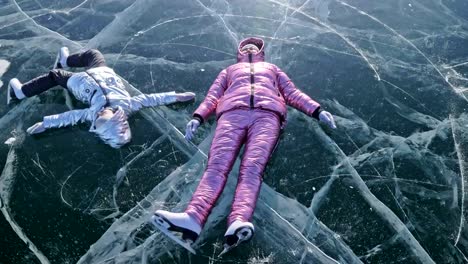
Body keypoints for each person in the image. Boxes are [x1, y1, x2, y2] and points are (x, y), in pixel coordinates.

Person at [151, 37, 336, 255]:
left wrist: (317, 110)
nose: (250, 47)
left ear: (260, 51)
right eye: (246, 46)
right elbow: (213, 96)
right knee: (216, 167)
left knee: (251, 170)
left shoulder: (272, 69)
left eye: (254, 46)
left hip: (267, 116)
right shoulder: (229, 71)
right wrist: (199, 116)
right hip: (231, 115)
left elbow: (292, 93)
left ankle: (239, 220)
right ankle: (193, 218)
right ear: (240, 51)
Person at [7, 48, 195, 148]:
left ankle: (20, 91)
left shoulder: (92, 114)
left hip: (79, 83)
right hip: (102, 73)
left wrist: (46, 123)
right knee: (92, 54)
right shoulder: (128, 105)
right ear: (117, 118)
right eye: (105, 114)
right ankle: (66, 60)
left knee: (55, 75)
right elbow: (151, 98)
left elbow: (69, 117)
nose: (100, 112)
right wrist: (176, 96)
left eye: (98, 117)